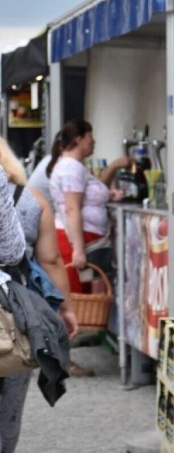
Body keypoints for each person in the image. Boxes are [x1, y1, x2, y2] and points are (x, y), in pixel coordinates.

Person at [0, 137, 79, 451]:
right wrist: (67, 308)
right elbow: (49, 259)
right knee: (9, 406)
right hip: (11, 317)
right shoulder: (31, 199)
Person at [46, 119, 129, 294]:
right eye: (90, 136)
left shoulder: (73, 167)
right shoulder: (71, 168)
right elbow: (72, 208)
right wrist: (78, 249)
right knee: (78, 297)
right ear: (78, 139)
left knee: (80, 296)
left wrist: (108, 195)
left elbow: (81, 198)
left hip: (80, 240)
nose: (93, 141)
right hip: (76, 241)